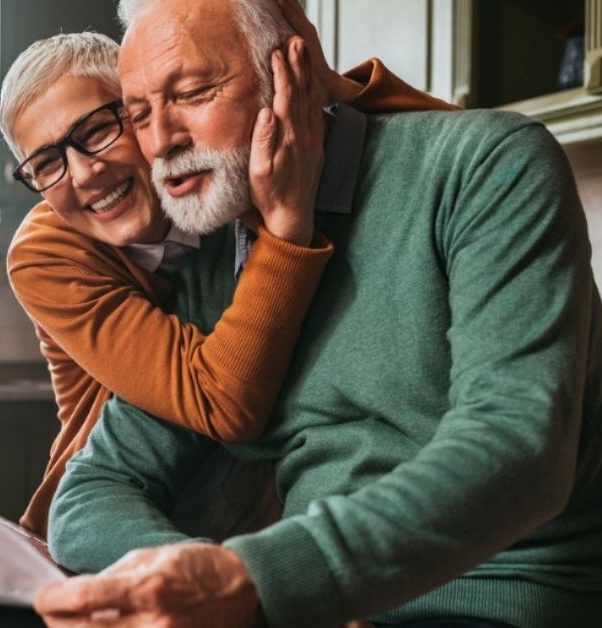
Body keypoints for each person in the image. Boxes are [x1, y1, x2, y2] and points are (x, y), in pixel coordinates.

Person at [36, 0, 602, 626]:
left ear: (290, 64)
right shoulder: (214, 257)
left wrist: (255, 578)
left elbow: (518, 450)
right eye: (140, 114)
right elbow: (92, 490)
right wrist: (199, 577)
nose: (162, 140)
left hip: (495, 602)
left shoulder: (485, 165)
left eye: (194, 92)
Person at [3, 0, 455, 538]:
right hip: (125, 518)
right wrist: (285, 228)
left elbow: (436, 153)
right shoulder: (50, 249)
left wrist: (322, 81)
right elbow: (217, 400)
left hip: (250, 514)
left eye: (99, 129)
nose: (84, 172)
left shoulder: (228, 183)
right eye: (47, 164)